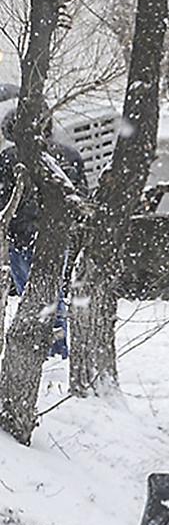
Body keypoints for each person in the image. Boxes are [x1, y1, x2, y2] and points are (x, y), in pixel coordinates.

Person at [0, 108, 86, 359]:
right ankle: (57, 345)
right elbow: (81, 197)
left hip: (21, 238)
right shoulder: (68, 155)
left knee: (30, 292)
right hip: (58, 237)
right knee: (54, 291)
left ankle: (41, 347)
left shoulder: (8, 159)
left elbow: (4, 202)